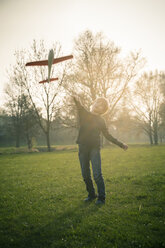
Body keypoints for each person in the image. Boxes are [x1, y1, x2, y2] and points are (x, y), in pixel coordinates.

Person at [73, 96, 128, 205]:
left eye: (101, 104)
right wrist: (75, 98)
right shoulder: (84, 114)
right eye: (97, 102)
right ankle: (92, 195)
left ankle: (101, 198)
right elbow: (79, 105)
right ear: (93, 103)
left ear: (103, 109)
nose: (98, 104)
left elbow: (108, 135)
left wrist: (121, 144)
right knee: (85, 175)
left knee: (97, 174)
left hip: (94, 149)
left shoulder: (101, 121)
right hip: (83, 148)